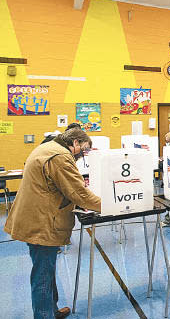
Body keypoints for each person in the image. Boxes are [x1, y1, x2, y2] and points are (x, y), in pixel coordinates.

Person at [4, 128, 101, 319]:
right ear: (74, 143)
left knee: (47, 269)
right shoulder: (60, 157)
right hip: (42, 223)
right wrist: (110, 205)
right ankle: (43, 315)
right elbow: (79, 194)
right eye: (84, 149)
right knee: (42, 274)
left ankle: (51, 310)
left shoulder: (49, 146)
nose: (83, 155)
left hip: (36, 217)